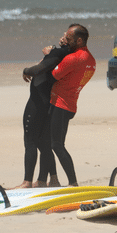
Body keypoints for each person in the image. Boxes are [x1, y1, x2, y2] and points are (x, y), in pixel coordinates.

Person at [39, 24, 95, 187]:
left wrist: (49, 55)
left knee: (56, 145)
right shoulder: (90, 60)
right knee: (51, 142)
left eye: (69, 39)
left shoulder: (73, 58)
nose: (65, 41)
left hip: (60, 104)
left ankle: (72, 182)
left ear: (79, 40)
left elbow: (51, 76)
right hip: (70, 104)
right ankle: (52, 180)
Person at [15, 37, 71, 188]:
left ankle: (27, 182)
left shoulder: (58, 54)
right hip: (48, 102)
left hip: (37, 103)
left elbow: (38, 70)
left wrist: (26, 70)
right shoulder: (66, 55)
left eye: (65, 36)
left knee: (30, 142)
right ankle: (48, 179)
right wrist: (48, 55)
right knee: (44, 143)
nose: (61, 37)